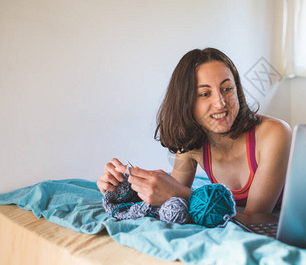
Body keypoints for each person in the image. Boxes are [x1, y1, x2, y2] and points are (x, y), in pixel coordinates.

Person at [97, 48, 291, 214]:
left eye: (227, 89)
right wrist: (119, 187)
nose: (220, 103)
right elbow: (167, 194)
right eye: (205, 94)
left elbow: (256, 218)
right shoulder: (193, 144)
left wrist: (182, 195)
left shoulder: (274, 134)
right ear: (186, 103)